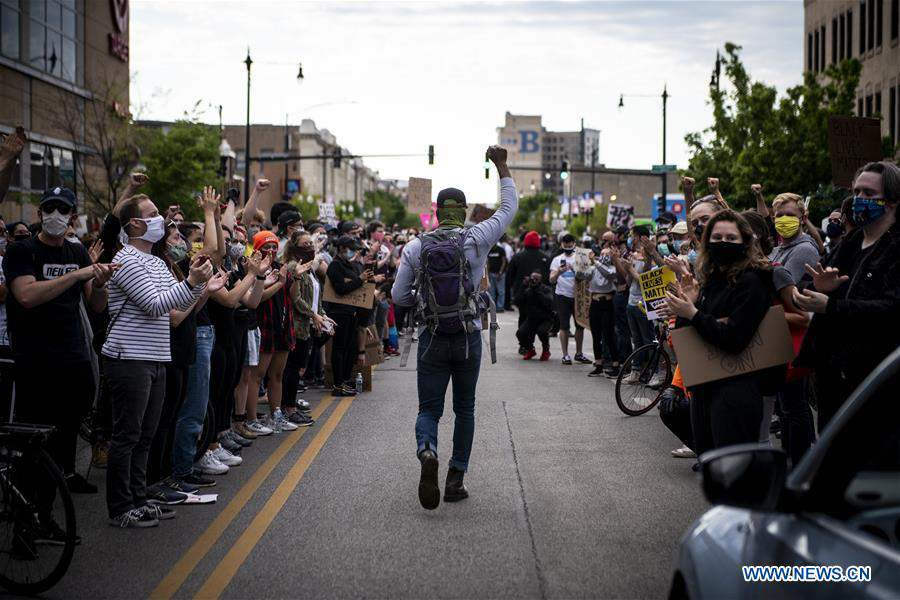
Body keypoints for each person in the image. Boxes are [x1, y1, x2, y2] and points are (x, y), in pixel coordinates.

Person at [392, 144, 517, 511]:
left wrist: (421, 296)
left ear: (436, 212)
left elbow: (399, 295)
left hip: (431, 337)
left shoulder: (416, 246)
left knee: (429, 409)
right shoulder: (477, 237)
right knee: (465, 408)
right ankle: (455, 478)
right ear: (462, 212)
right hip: (466, 338)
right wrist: (501, 165)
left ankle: (427, 449)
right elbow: (509, 208)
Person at [103, 193, 212, 527]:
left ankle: (139, 496)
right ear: (135, 223)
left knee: (146, 434)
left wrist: (196, 283)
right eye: (152, 215)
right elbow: (154, 304)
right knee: (127, 435)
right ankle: (121, 507)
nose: (160, 220)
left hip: (155, 356)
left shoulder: (155, 261)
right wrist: (192, 283)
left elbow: (176, 307)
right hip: (129, 357)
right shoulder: (126, 260)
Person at [4, 187, 114, 497]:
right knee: (36, 438)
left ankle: (57, 492)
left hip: (72, 357)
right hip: (36, 359)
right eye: (49, 209)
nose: (54, 216)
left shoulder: (76, 251)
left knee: (67, 430)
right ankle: (29, 516)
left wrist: (100, 284)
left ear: (71, 218)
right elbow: (26, 295)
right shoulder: (22, 251)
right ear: (39, 214)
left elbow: (95, 305)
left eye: (61, 210)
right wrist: (76, 276)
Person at [794, 161, 900, 431]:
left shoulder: (895, 247)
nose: (859, 200)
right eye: (856, 192)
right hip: (833, 375)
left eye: (868, 194)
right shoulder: (850, 243)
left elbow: (891, 309)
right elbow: (813, 280)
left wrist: (832, 305)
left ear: (892, 201)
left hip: (875, 379)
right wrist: (818, 288)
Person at [665, 210, 774, 455]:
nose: (723, 243)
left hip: (736, 389)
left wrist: (693, 313)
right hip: (704, 388)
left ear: (745, 242)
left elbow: (734, 339)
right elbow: (684, 341)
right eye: (717, 237)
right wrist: (687, 308)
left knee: (733, 468)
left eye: (731, 238)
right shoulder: (710, 280)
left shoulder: (753, 281)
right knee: (710, 462)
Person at [324, 235, 369, 397]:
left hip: (351, 312)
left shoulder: (348, 264)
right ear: (342, 248)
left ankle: (344, 381)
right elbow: (340, 289)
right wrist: (360, 280)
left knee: (350, 349)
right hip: (339, 313)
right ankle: (338, 384)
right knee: (340, 349)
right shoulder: (335, 265)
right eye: (351, 249)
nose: (354, 252)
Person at [549, 233, 590, 365]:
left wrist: (575, 270)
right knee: (564, 325)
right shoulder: (557, 259)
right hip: (562, 295)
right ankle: (565, 354)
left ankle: (579, 353)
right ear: (562, 245)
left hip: (578, 296)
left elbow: (586, 277)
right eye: (565, 246)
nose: (567, 248)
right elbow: (551, 279)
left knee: (580, 325)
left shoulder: (581, 257)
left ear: (574, 244)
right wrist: (559, 272)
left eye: (570, 245)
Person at [769, 193, 821, 284]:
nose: (784, 220)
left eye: (790, 215)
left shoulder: (805, 250)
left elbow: (781, 287)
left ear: (803, 219)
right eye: (779, 216)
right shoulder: (777, 249)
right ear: (774, 219)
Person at [587, 245, 622, 378]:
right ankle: (598, 364)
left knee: (608, 334)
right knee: (596, 334)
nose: (603, 257)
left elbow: (606, 274)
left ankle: (615, 364)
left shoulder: (613, 269)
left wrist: (595, 262)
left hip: (608, 303)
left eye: (606, 254)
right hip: (595, 303)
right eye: (601, 254)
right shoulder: (594, 268)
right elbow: (583, 275)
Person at [507, 230, 549, 335]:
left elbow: (509, 276)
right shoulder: (545, 258)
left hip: (522, 293)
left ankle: (524, 343)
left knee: (523, 316)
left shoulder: (518, 257)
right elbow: (549, 278)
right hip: (540, 294)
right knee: (538, 317)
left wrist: (512, 292)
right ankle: (536, 343)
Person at [515, 271, 553, 361]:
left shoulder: (545, 289)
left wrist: (537, 291)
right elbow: (518, 302)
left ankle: (546, 350)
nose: (534, 281)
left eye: (536, 279)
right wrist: (523, 286)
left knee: (542, 332)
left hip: (545, 318)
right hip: (532, 319)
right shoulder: (528, 290)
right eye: (532, 279)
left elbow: (548, 302)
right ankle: (530, 349)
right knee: (520, 334)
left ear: (540, 280)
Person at [486, 240, 508, 312]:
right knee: (491, 291)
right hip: (491, 273)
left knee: (501, 291)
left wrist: (500, 272)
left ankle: (500, 307)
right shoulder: (489, 249)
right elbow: (488, 262)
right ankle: (492, 307)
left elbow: (504, 261)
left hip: (500, 274)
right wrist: (487, 273)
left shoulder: (501, 250)